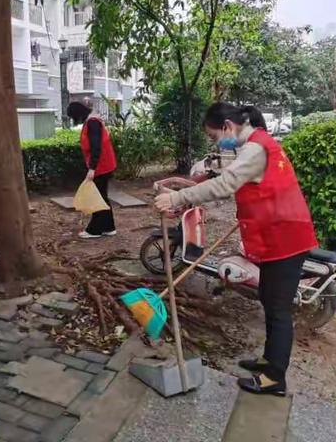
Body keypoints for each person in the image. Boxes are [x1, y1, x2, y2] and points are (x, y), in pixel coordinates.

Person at [155, 102, 318, 396]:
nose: (218, 143)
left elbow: (227, 184)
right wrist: (186, 194)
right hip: (277, 236)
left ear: (228, 127)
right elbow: (241, 184)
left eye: (215, 136)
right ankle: (269, 361)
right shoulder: (259, 144)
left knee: (279, 310)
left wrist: (179, 197)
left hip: (286, 239)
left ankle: (275, 379)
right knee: (270, 300)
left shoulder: (256, 149)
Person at [67, 99, 117, 239]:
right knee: (102, 196)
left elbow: (96, 147)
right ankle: (109, 227)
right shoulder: (92, 121)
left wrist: (92, 169)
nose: (74, 120)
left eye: (73, 117)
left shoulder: (92, 123)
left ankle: (95, 230)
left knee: (97, 198)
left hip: (101, 165)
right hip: (104, 164)